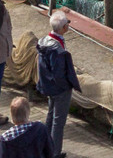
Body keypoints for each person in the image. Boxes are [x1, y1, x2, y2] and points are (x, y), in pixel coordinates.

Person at [36, 12, 80, 156]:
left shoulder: (45, 42)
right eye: (67, 23)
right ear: (63, 28)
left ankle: (46, 147)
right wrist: (66, 86)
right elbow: (58, 73)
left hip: (48, 86)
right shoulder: (57, 49)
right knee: (58, 122)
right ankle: (54, 152)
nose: (68, 25)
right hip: (60, 89)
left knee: (50, 116)